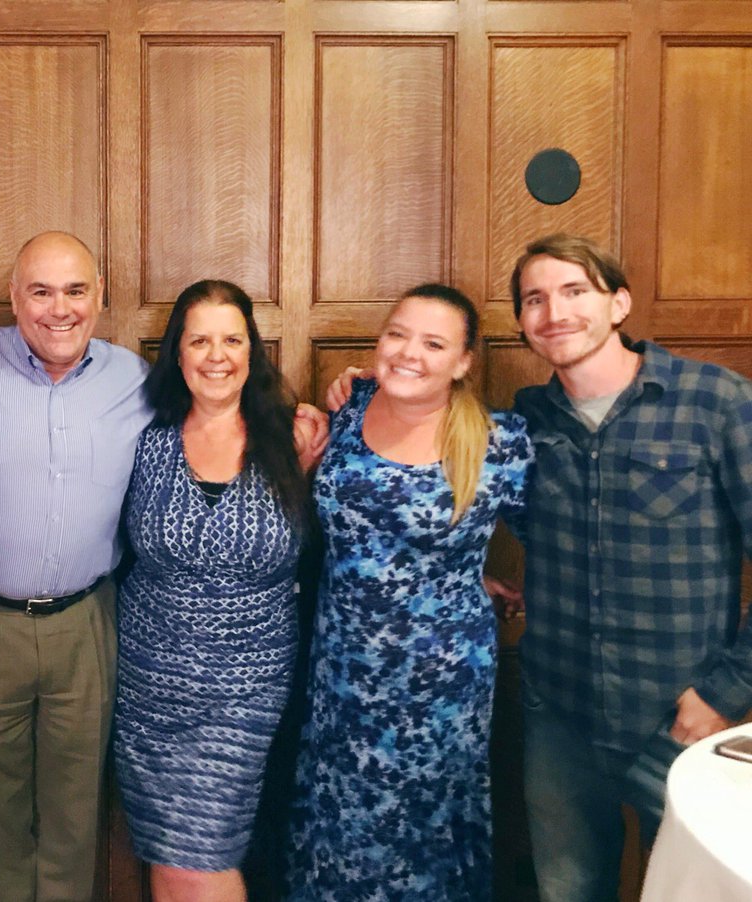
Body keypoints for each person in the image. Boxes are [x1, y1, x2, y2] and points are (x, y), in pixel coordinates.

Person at [0, 232, 330, 901]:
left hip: (148, 649)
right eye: (41, 290)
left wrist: (348, 391)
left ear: (99, 296)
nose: (60, 308)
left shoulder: (167, 396)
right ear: (13, 297)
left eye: (76, 290)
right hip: (22, 633)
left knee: (91, 831)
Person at [502, 234, 752, 901]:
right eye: (535, 298)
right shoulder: (526, 423)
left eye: (574, 291)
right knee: (566, 889)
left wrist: (723, 694)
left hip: (679, 717)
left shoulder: (715, 401)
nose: (554, 311)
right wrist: (361, 386)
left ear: (620, 302)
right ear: (523, 323)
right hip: (557, 715)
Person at [290, 284, 531, 901]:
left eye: (433, 343)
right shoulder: (346, 408)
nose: (409, 353)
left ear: (464, 361)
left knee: (425, 848)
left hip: (440, 692)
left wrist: (470, 576)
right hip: (342, 678)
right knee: (337, 839)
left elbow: (564, 545)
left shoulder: (500, 442)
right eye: (397, 334)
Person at [114, 280, 313, 901]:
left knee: (200, 856)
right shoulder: (145, 441)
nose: (216, 355)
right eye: (199, 340)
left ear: (252, 350)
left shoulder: (297, 439)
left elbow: (367, 520)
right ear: (178, 352)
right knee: (166, 856)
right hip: (148, 688)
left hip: (244, 691)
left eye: (232, 339)